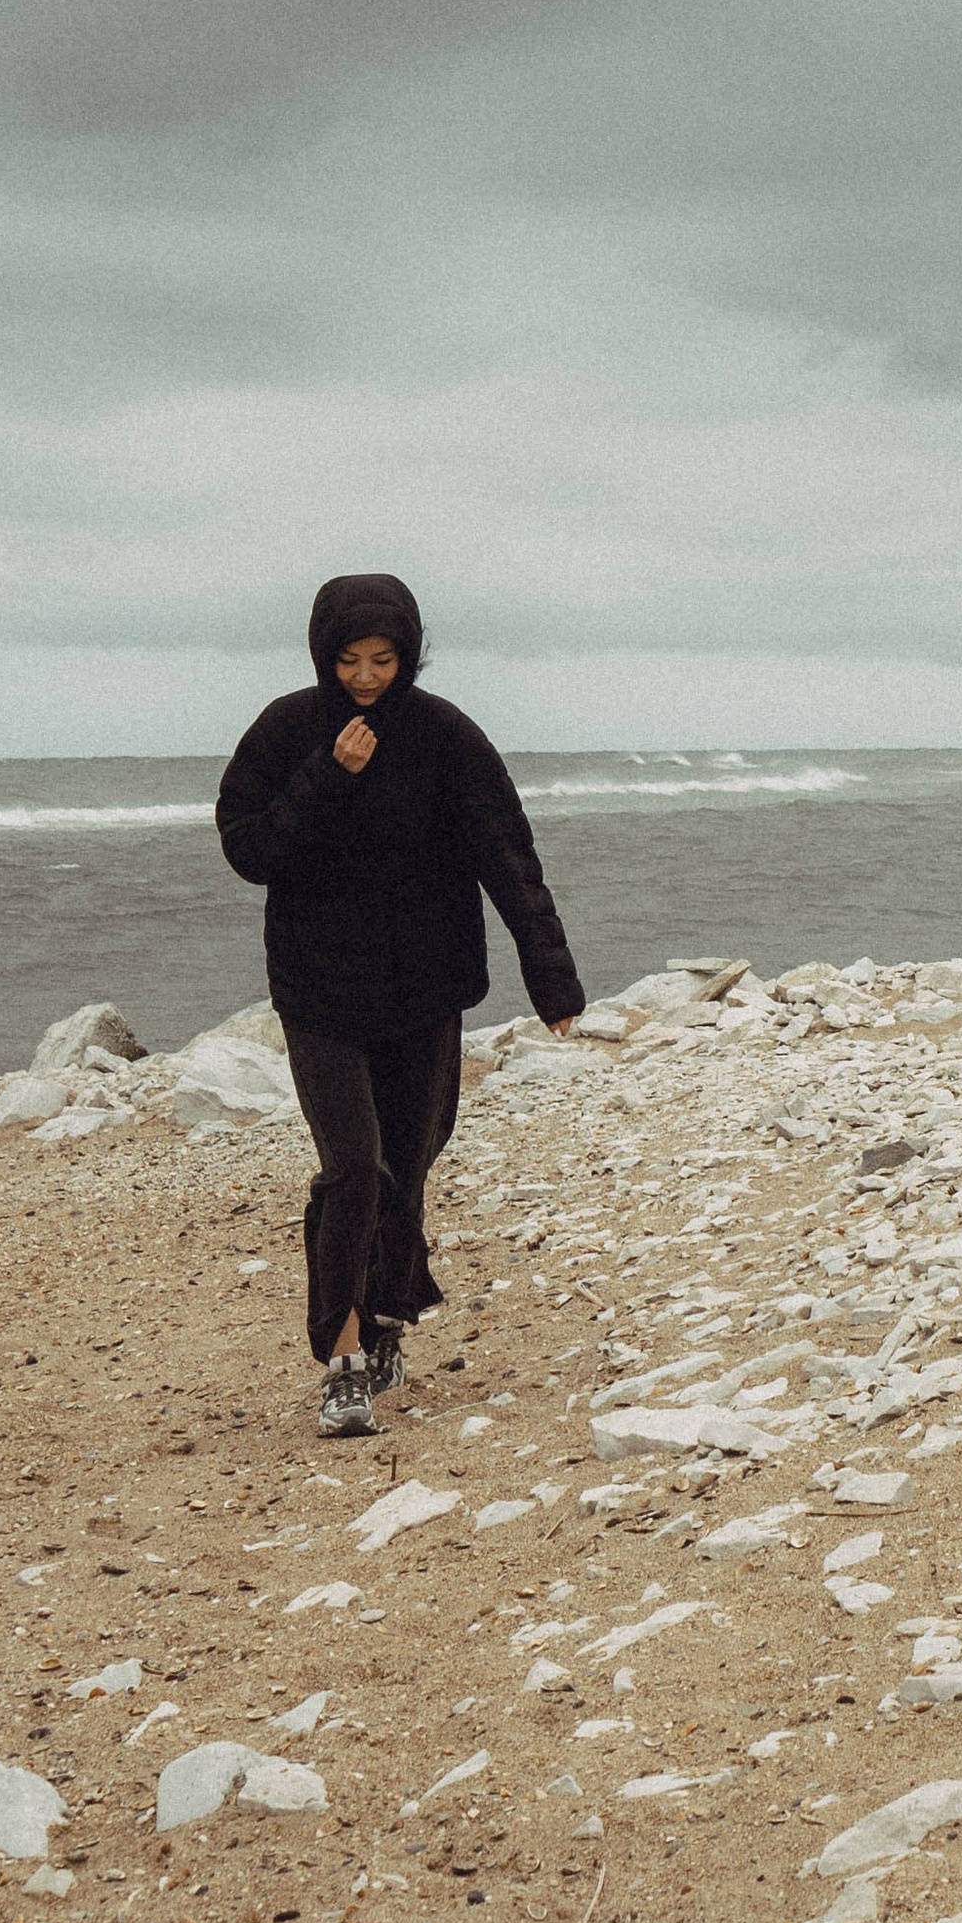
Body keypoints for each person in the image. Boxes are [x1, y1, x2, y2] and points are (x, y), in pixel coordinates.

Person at [217, 572, 585, 1436]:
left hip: (425, 990)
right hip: (319, 989)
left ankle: (384, 1319)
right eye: (349, 659)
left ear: (410, 652)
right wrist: (327, 774)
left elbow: (509, 855)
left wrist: (552, 980)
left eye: (384, 659)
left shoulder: (445, 736)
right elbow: (248, 847)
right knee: (355, 1166)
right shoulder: (286, 730)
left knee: (408, 1172)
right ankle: (341, 1361)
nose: (367, 677)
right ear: (323, 654)